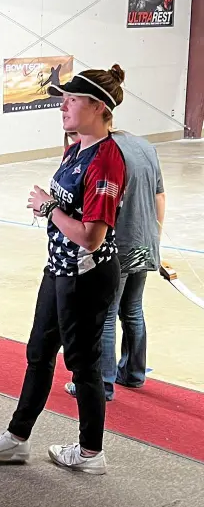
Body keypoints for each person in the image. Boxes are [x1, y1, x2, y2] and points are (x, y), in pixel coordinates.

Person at [0, 66, 127, 475]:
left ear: (97, 106)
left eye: (72, 99)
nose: (64, 106)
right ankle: (16, 439)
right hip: (58, 271)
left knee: (83, 364)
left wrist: (48, 208)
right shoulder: (75, 148)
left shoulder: (107, 162)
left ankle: (92, 452)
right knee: (38, 354)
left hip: (86, 277)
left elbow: (91, 237)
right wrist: (53, 209)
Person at [65, 127, 165, 401]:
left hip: (118, 241)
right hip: (145, 240)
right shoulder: (144, 145)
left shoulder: (106, 151)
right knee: (132, 309)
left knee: (106, 314)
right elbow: (159, 196)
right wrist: (153, 238)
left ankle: (103, 383)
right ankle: (133, 374)